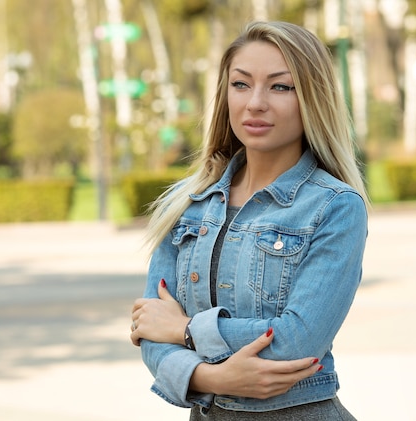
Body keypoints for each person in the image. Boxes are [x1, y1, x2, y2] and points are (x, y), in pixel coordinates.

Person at [130, 21, 369, 420]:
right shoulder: (189, 204)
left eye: (280, 86)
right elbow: (151, 330)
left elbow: (296, 341)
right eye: (241, 84)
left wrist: (185, 331)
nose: (255, 103)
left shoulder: (335, 206)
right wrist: (215, 380)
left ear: (312, 98)